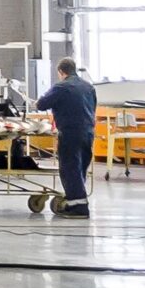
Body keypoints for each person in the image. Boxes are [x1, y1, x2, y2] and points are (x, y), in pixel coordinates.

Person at [37, 57, 99, 219]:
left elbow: (41, 104)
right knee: (80, 168)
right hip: (88, 133)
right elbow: (93, 108)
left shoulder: (61, 87)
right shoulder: (88, 87)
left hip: (70, 133)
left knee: (70, 168)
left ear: (61, 72)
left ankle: (79, 207)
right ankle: (76, 200)